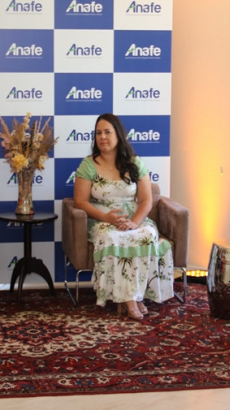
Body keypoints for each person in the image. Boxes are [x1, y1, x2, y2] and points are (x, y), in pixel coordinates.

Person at [73, 113, 174, 320]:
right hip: (102, 219)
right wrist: (106, 217)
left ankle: (132, 297)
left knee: (146, 235)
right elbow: (80, 202)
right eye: (98, 133)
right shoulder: (88, 164)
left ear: (119, 135)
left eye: (107, 132)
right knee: (112, 237)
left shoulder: (135, 163)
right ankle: (131, 300)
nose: (102, 137)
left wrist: (134, 222)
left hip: (134, 218)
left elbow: (146, 200)